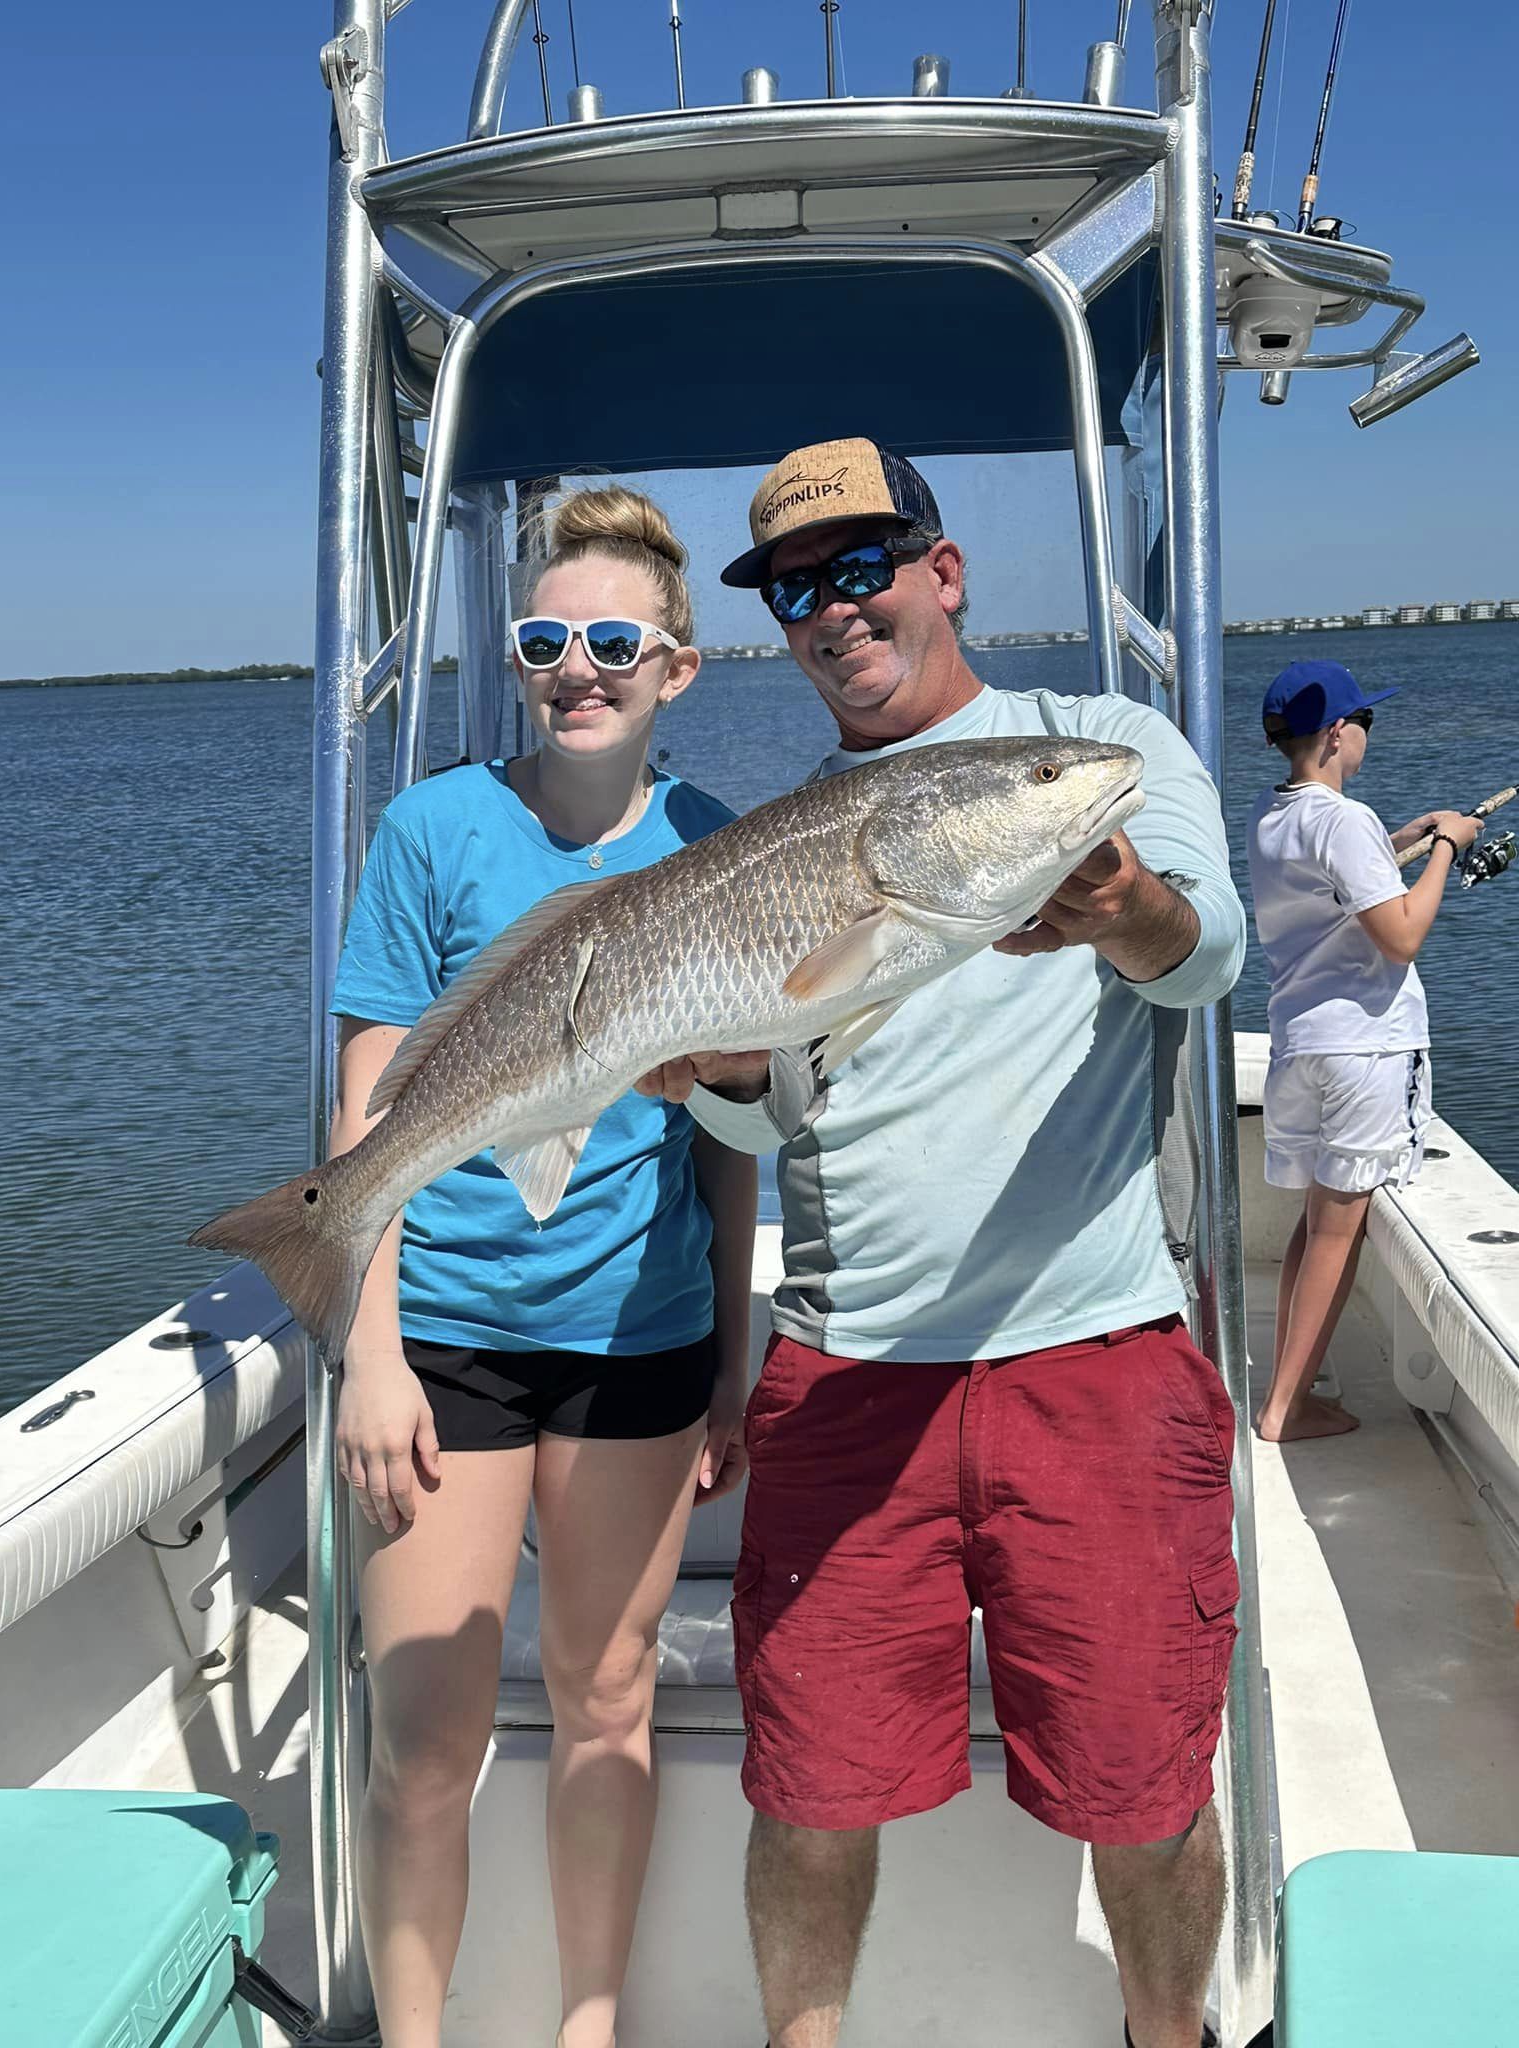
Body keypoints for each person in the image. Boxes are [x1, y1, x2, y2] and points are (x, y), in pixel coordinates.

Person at [638, 438, 1248, 2048]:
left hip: (1096, 1361)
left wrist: (1124, 909)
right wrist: (717, 1077)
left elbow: (1206, 958)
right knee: (811, 1791)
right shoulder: (771, 849)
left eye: (863, 567)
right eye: (792, 589)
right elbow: (775, 1125)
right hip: (848, 1382)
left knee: (1144, 1786)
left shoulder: (1099, 750)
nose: (835, 612)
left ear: (943, 569)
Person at [327, 486, 757, 2048]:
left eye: (613, 640)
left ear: (677, 667)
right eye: (544, 639)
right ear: (515, 659)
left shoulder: (718, 841)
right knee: (424, 1742)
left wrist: (732, 1359)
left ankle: (589, 2028)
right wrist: (366, 1354)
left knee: (608, 1701)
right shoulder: (431, 829)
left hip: (641, 1339)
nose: (578, 667)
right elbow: (368, 1106)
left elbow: (728, 1131)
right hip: (441, 1332)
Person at [1245, 659, 1478, 1443]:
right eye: (1366, 724)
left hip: (1301, 1046)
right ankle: (1284, 1408)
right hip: (1364, 1051)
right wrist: (1447, 845)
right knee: (1339, 1230)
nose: (1368, 737)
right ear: (1339, 733)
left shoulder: (1273, 816)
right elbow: (1401, 934)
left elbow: (1344, 868)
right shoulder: (1343, 824)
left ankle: (1287, 1387)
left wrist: (1408, 833)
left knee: (1315, 1224)